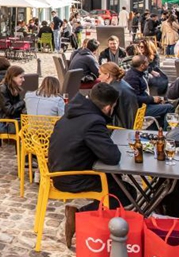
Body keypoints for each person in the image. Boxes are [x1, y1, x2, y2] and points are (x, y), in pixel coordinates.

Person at [48, 83, 129, 248]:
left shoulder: (73, 112)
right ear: (108, 107)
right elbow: (112, 157)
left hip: (60, 170)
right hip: (71, 177)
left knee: (116, 180)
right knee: (126, 192)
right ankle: (79, 216)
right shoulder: (93, 122)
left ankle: (101, 223)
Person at [124, 55, 173, 126]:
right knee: (169, 108)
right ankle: (166, 132)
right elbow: (135, 98)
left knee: (166, 103)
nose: (148, 64)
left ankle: (158, 129)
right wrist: (152, 99)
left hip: (143, 105)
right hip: (139, 110)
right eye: (147, 63)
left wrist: (155, 100)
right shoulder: (132, 77)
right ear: (142, 65)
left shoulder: (136, 74)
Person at [97, 63, 138, 129]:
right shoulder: (122, 83)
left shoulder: (112, 90)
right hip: (129, 121)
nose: (98, 77)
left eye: (100, 74)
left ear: (107, 75)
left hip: (120, 126)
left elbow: (106, 112)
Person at [0, 66, 26, 133]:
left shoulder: (13, 87)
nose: (23, 79)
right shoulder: (2, 88)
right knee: (29, 127)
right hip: (3, 123)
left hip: (10, 119)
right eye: (21, 77)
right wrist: (23, 101)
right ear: (13, 77)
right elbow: (9, 110)